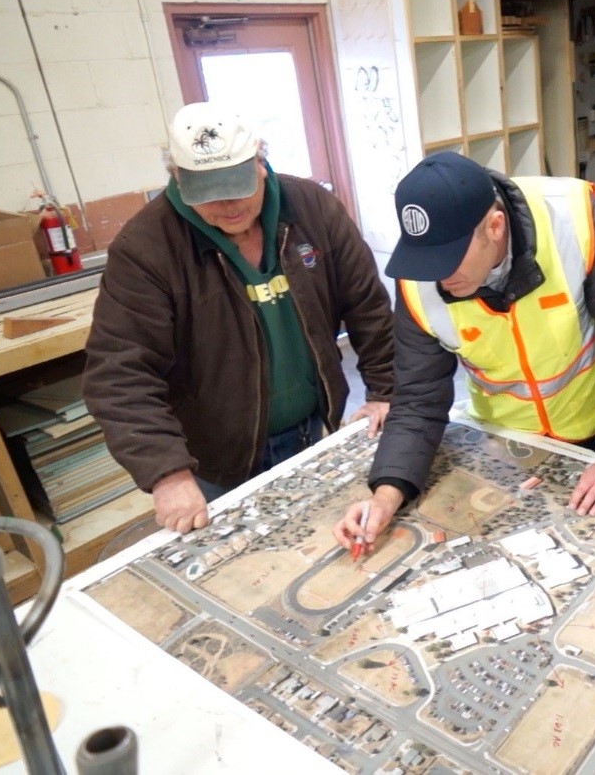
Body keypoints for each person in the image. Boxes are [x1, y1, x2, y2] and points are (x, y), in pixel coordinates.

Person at [84, 101, 394, 534]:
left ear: (260, 162)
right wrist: (167, 472)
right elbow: (119, 376)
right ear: (177, 177)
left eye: (238, 186)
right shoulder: (146, 249)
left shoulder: (311, 208)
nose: (229, 206)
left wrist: (385, 389)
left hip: (312, 429)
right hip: (217, 460)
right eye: (210, 194)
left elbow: (368, 307)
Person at [333, 153, 595, 550]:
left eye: (449, 259)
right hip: (504, 443)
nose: (436, 276)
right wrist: (385, 495)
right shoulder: (419, 280)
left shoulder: (575, 220)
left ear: (495, 226)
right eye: (426, 260)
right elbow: (418, 398)